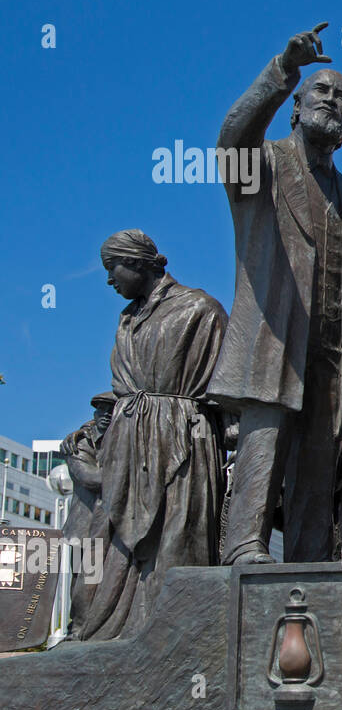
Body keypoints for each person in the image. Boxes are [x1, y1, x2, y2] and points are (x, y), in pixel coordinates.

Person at [207, 23, 342, 565]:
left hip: (329, 350)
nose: (334, 103)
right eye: (322, 92)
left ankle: (310, 556)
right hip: (274, 334)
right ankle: (244, 544)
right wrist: (282, 69)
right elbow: (232, 140)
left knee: (320, 462)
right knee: (263, 446)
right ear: (295, 107)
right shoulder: (263, 167)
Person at [81, 231, 227, 641]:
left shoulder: (200, 309)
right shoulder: (126, 320)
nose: (109, 280)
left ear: (139, 263)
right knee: (109, 546)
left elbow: (225, 392)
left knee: (176, 543)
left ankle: (173, 641)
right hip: (127, 447)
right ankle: (110, 635)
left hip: (182, 442)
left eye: (113, 269)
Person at [58, 391, 116, 639]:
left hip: (110, 526)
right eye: (101, 410)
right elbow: (89, 477)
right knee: (84, 579)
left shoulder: (117, 440)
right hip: (85, 527)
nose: (106, 415)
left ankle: (93, 628)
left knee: (105, 581)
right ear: (94, 413)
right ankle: (77, 629)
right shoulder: (81, 443)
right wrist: (126, 474)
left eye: (111, 411)